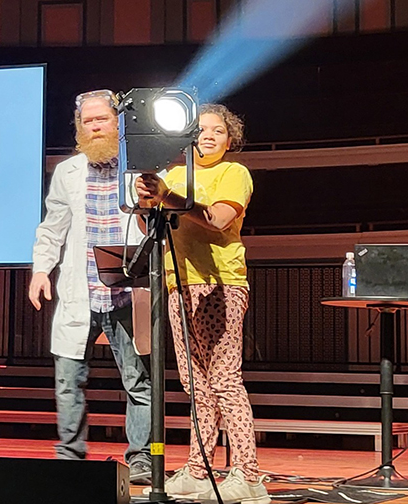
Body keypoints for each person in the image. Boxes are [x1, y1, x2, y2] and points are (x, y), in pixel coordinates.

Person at [135, 104, 268, 503]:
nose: (208, 136)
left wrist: (168, 196)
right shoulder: (173, 174)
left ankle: (249, 474)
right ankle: (199, 469)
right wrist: (146, 201)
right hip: (179, 284)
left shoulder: (233, 173)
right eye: (201, 129)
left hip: (220, 284)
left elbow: (217, 219)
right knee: (195, 384)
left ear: (230, 140)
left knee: (224, 380)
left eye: (218, 131)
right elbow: (150, 224)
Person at [30, 89, 153, 484]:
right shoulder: (68, 171)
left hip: (126, 291)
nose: (95, 126)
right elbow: (53, 227)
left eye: (102, 119)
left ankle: (141, 459)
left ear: (117, 122)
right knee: (68, 381)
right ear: (80, 127)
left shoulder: (143, 169)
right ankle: (70, 455)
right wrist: (40, 271)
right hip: (80, 289)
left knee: (138, 381)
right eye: (88, 121)